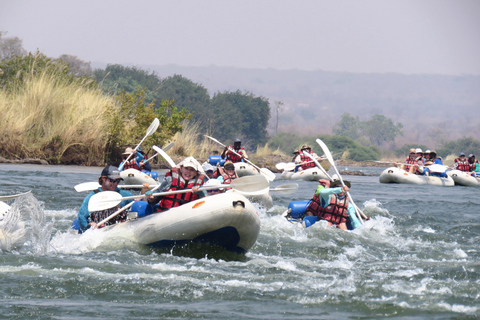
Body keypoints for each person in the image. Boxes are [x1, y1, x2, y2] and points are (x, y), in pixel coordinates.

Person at [77, 165, 134, 232]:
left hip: (120, 227)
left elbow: (138, 204)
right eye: (112, 180)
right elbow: (82, 216)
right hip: (101, 230)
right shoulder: (92, 197)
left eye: (118, 181)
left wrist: (147, 197)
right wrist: (88, 225)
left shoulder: (124, 195)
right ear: (103, 179)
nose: (115, 184)